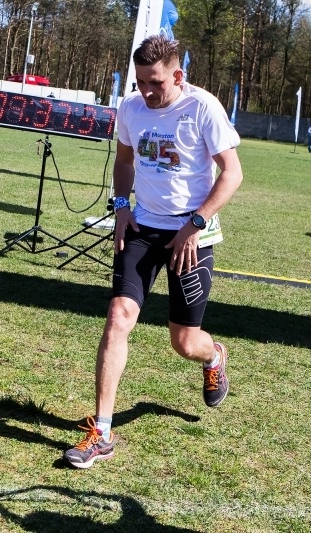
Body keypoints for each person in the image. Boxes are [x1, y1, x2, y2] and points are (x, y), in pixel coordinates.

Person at [62, 34, 243, 469]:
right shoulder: (131, 107)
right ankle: (101, 432)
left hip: (192, 233)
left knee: (183, 342)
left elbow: (233, 173)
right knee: (118, 316)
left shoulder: (203, 108)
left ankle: (213, 355)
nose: (146, 91)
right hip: (142, 227)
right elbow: (124, 162)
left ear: (178, 75)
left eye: (155, 82)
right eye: (140, 82)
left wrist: (194, 224)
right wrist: (121, 207)